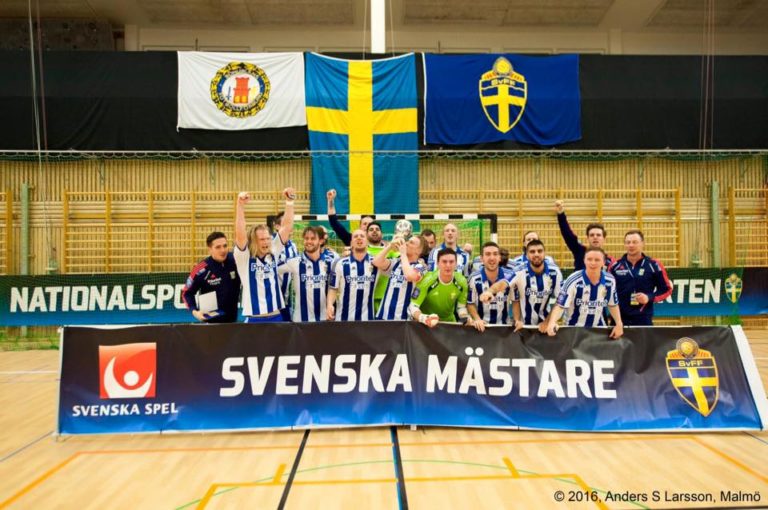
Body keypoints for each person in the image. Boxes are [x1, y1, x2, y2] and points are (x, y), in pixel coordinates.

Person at [234, 188, 295, 322]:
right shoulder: (244, 258)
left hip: (276, 316)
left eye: (268, 238)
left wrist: (289, 203)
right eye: (262, 239)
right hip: (255, 319)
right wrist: (240, 205)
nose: (267, 242)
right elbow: (240, 235)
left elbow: (287, 227)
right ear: (254, 241)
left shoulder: (273, 251)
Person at [546, 247, 623, 339]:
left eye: (597, 260)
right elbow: (560, 305)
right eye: (589, 259)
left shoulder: (610, 280)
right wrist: (552, 322)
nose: (593, 263)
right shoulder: (573, 280)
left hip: (598, 330)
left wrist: (619, 324)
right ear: (584, 261)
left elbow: (613, 304)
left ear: (603, 262)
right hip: (573, 330)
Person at [609, 229, 673, 326]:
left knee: (645, 342)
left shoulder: (654, 265)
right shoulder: (615, 266)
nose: (631, 245)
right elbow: (607, 290)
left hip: (643, 318)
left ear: (642, 243)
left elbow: (666, 289)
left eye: (635, 242)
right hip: (618, 319)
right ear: (624, 244)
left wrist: (649, 297)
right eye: (628, 242)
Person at [182, 231, 241, 323]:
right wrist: (195, 312)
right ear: (209, 249)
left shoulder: (236, 260)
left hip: (233, 321)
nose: (223, 250)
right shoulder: (201, 269)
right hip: (211, 324)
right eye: (218, 247)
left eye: (225, 246)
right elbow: (186, 293)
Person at [278, 226, 332, 322]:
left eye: (313, 238)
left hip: (324, 319)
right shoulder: (294, 262)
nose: (309, 241)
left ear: (321, 241)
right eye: (306, 238)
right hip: (300, 321)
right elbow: (272, 269)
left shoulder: (329, 262)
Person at [508, 240, 562, 332]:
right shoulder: (518, 272)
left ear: (545, 253)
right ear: (527, 255)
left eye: (540, 251)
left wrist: (548, 321)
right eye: (532, 252)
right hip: (523, 325)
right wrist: (517, 320)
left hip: (545, 323)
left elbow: (560, 301)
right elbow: (515, 300)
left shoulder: (555, 272)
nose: (536, 254)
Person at [409, 248, 471, 328]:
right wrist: (424, 318)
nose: (448, 265)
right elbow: (413, 306)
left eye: (451, 262)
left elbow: (461, 307)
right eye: (444, 262)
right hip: (425, 325)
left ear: (456, 264)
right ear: (438, 264)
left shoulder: (462, 281)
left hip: (449, 323)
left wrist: (465, 317)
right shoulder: (427, 280)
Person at [327, 229, 379, 321]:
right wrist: (330, 304)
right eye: (355, 236)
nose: (359, 238)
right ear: (351, 243)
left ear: (367, 242)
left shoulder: (376, 263)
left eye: (362, 236)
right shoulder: (340, 263)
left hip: (368, 320)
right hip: (343, 319)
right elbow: (333, 288)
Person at [372, 235, 427, 320]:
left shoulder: (421, 267)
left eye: (411, 242)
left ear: (419, 250)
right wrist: (390, 246)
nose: (407, 243)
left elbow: (409, 276)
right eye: (408, 241)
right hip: (383, 316)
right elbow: (376, 262)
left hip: (403, 319)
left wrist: (403, 254)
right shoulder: (396, 262)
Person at [554, 200, 615, 270]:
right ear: (587, 238)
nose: (595, 237)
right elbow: (568, 235)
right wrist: (561, 215)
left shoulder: (610, 262)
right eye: (592, 235)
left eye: (598, 235)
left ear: (604, 238)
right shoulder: (579, 251)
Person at [467, 242, 514, 332]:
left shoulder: (510, 275)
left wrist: (517, 319)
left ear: (500, 257)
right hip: (481, 328)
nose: (492, 258)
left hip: (504, 328)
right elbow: (470, 303)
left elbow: (516, 301)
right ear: (481, 259)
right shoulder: (474, 278)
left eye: (495, 254)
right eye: (488, 254)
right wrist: (477, 319)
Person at [270, 210, 300, 320]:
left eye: (290, 223)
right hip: (272, 300)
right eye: (285, 224)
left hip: (286, 298)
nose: (289, 226)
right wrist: (286, 267)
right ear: (277, 226)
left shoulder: (293, 245)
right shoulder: (270, 244)